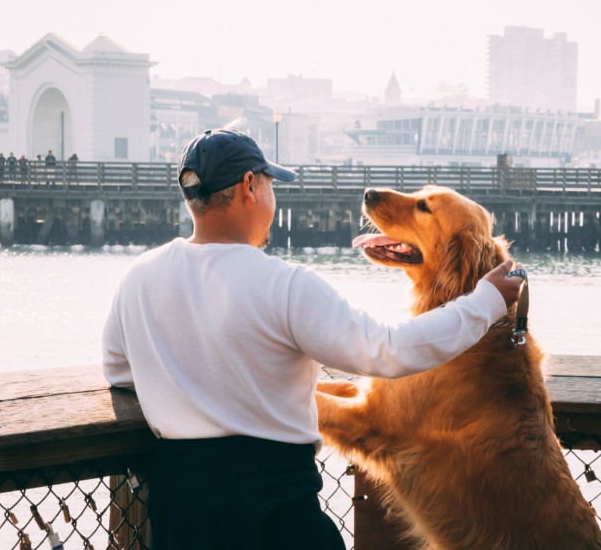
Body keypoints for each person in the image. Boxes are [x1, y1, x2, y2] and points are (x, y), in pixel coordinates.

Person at [102, 129, 527, 550]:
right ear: (251, 187)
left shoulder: (137, 278)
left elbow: (119, 372)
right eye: (269, 184)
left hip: (179, 508)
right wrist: (486, 301)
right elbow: (386, 350)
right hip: (272, 504)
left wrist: (191, 387)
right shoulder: (284, 284)